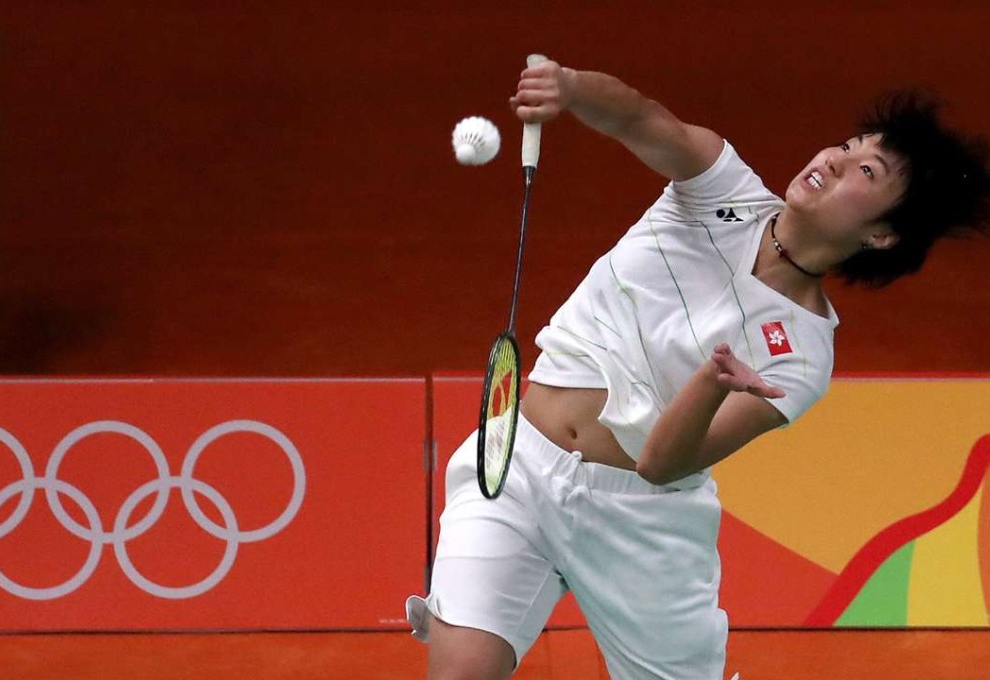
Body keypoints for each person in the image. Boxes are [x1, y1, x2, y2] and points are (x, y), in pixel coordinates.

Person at [407, 60, 989, 679]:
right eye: (846, 147)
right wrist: (574, 90)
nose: (834, 161)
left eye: (865, 171)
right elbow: (638, 115)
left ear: (883, 237)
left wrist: (710, 386)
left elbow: (662, 465)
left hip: (642, 525)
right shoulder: (722, 187)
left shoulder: (802, 355)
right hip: (517, 463)